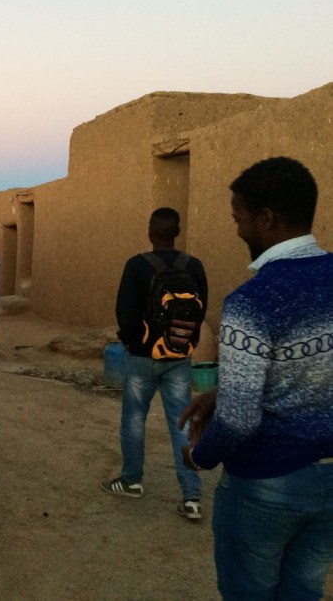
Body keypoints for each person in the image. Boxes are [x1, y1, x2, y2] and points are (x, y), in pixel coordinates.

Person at [180, 156, 333, 600]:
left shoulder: (252, 301)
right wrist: (226, 388)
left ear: (267, 218)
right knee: (303, 591)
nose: (238, 231)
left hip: (268, 484)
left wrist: (199, 457)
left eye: (239, 219)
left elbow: (239, 420)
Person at [101, 207, 207, 520]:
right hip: (179, 357)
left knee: (134, 420)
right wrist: (184, 341)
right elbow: (200, 310)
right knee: (182, 422)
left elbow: (124, 311)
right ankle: (192, 497)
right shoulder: (194, 266)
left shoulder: (137, 265)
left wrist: (132, 342)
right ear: (177, 232)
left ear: (150, 231)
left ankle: (131, 481)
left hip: (142, 357)